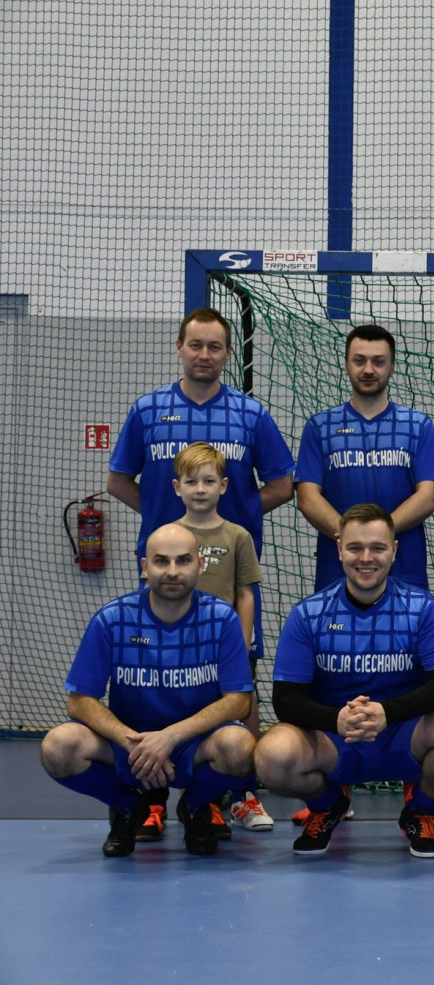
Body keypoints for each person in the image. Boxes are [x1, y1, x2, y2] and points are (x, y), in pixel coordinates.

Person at [106, 306, 293, 838]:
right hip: (166, 579)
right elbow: (118, 480)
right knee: (151, 680)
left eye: (215, 346)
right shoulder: (148, 410)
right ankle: (150, 796)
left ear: (229, 353)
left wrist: (233, 518)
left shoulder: (251, 414)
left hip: (226, 580)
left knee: (238, 684)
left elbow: (282, 485)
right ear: (180, 347)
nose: (204, 355)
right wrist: (165, 525)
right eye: (196, 344)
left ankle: (237, 794)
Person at [254, 505, 434, 858]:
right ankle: (328, 806)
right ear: (339, 549)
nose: (366, 558)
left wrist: (387, 713)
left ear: (394, 550)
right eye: (355, 547)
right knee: (272, 755)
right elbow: (285, 699)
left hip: (403, 736)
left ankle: (421, 810)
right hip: (336, 741)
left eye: (377, 548)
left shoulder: (423, 608)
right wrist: (336, 719)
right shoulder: (308, 614)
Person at [39, 524, 257, 857]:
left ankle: (194, 807)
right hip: (129, 745)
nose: (172, 571)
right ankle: (129, 808)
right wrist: (130, 742)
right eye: (161, 561)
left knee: (240, 747)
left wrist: (170, 737)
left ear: (200, 565)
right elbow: (80, 701)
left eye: (183, 560)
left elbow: (239, 701)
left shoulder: (222, 619)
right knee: (58, 747)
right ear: (145, 567)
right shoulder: (112, 619)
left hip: (193, 745)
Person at [295, 323, 434, 592]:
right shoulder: (320, 427)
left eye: (378, 361)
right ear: (346, 365)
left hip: (405, 572)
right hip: (337, 573)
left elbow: (429, 496)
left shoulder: (418, 426)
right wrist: (354, 538)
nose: (368, 370)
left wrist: (378, 536)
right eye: (359, 360)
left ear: (392, 367)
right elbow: (307, 498)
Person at [172, 442, 272, 832]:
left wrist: (240, 645)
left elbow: (245, 593)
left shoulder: (237, 536)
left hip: (228, 647)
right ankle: (171, 799)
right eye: (191, 481)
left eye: (209, 481)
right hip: (180, 650)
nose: (200, 489)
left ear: (224, 486)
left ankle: (244, 795)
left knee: (242, 707)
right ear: (177, 487)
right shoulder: (168, 536)